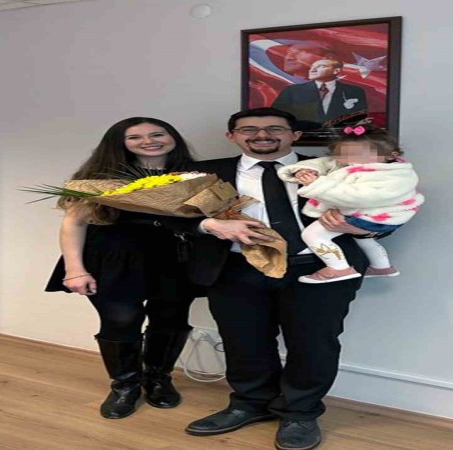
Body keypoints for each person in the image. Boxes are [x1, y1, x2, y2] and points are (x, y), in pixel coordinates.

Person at [183, 108, 381, 450]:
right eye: (249, 129)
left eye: (274, 128)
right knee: (243, 341)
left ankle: (300, 412)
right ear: (231, 136)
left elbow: (388, 204)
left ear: (295, 135)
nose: (262, 135)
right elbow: (171, 216)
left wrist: (364, 228)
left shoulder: (335, 168)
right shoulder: (204, 173)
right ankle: (251, 403)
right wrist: (209, 225)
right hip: (236, 269)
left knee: (313, 343)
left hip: (318, 268)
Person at [45, 117, 199, 420]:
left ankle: (158, 379)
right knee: (121, 319)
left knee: (170, 317)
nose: (149, 141)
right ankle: (125, 386)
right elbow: (74, 223)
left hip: (174, 258)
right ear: (120, 143)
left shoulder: (196, 176)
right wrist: (75, 269)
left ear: (173, 138)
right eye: (135, 137)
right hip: (112, 257)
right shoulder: (100, 178)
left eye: (157, 134)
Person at [277, 124, 424, 284]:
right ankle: (381, 267)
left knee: (312, 235)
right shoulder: (347, 164)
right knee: (363, 240)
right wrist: (304, 169)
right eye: (341, 154)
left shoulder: (393, 176)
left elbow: (359, 197)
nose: (348, 159)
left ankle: (339, 268)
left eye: (358, 154)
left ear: (390, 155)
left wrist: (317, 184)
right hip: (371, 216)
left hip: (374, 216)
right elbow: (324, 163)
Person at [272, 58, 368, 130]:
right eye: (312, 67)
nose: (312, 70)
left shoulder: (354, 91)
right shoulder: (292, 91)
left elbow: (360, 119)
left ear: (336, 71)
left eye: (321, 66)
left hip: (341, 139)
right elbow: (276, 117)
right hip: (303, 140)